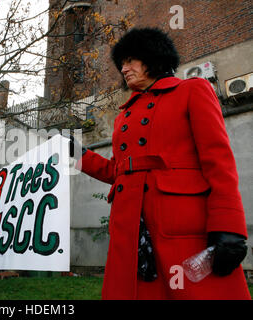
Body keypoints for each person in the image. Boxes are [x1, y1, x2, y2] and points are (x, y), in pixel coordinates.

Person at [69, 27, 249, 299]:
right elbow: (118, 171)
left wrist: (229, 225)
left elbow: (219, 161)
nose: (124, 68)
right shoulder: (123, 116)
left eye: (131, 60)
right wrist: (78, 155)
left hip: (181, 222)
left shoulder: (192, 89)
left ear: (152, 58)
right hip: (131, 225)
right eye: (122, 63)